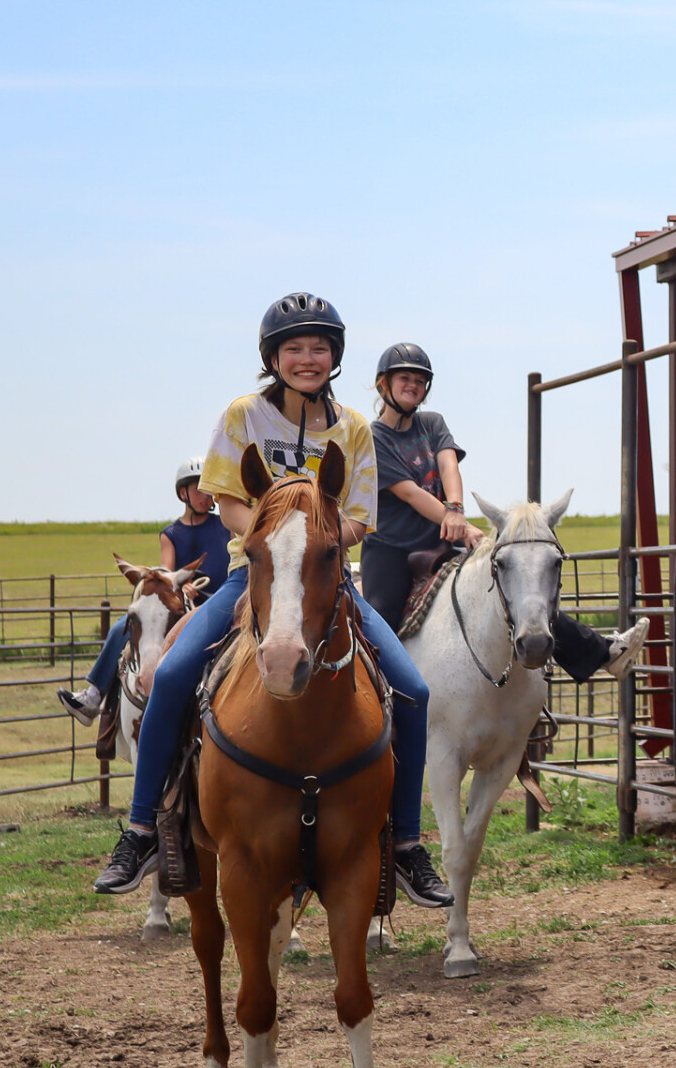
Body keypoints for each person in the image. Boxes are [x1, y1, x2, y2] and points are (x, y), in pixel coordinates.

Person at [92, 293, 454, 909]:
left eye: (319, 348)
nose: (307, 359)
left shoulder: (354, 429)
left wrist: (312, 543)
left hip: (327, 580)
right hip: (249, 576)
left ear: (335, 356)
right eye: (294, 349)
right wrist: (272, 542)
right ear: (273, 357)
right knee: (174, 675)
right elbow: (226, 498)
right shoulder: (242, 416)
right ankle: (143, 828)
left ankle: (408, 843)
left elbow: (360, 519)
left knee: (413, 691)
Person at [357, 342, 648, 675]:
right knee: (380, 620)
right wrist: (458, 523)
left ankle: (603, 653)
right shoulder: (373, 436)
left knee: (507, 585)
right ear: (384, 384)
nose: (413, 386)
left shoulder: (432, 423)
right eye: (404, 378)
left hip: (442, 538)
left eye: (420, 381)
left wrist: (456, 508)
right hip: (391, 547)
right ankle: (376, 695)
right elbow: (409, 493)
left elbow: (449, 465)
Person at [57, 459, 232, 727]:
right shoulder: (171, 534)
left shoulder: (226, 525)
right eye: (198, 490)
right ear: (183, 493)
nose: (204, 497)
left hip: (221, 602)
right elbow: (166, 571)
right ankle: (94, 697)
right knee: (123, 627)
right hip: (184, 604)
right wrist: (179, 583)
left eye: (208, 491)